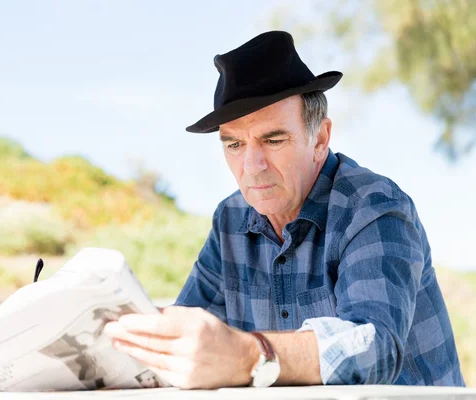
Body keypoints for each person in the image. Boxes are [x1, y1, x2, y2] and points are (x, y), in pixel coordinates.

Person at [104, 31, 465, 389]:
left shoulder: (373, 206)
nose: (252, 165)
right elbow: (187, 334)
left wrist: (249, 355)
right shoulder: (230, 220)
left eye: (273, 140)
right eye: (233, 144)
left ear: (320, 139)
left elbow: (375, 347)